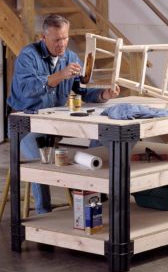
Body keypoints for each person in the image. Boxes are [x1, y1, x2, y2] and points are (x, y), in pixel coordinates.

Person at [7, 14, 119, 214]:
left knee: (100, 138)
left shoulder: (71, 57)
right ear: (44, 37)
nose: (62, 44)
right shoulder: (28, 55)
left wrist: (104, 94)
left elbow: (81, 92)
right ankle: (44, 212)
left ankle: (96, 199)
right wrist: (59, 75)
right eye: (56, 39)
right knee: (43, 160)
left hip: (57, 122)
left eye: (65, 38)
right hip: (26, 123)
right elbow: (25, 89)